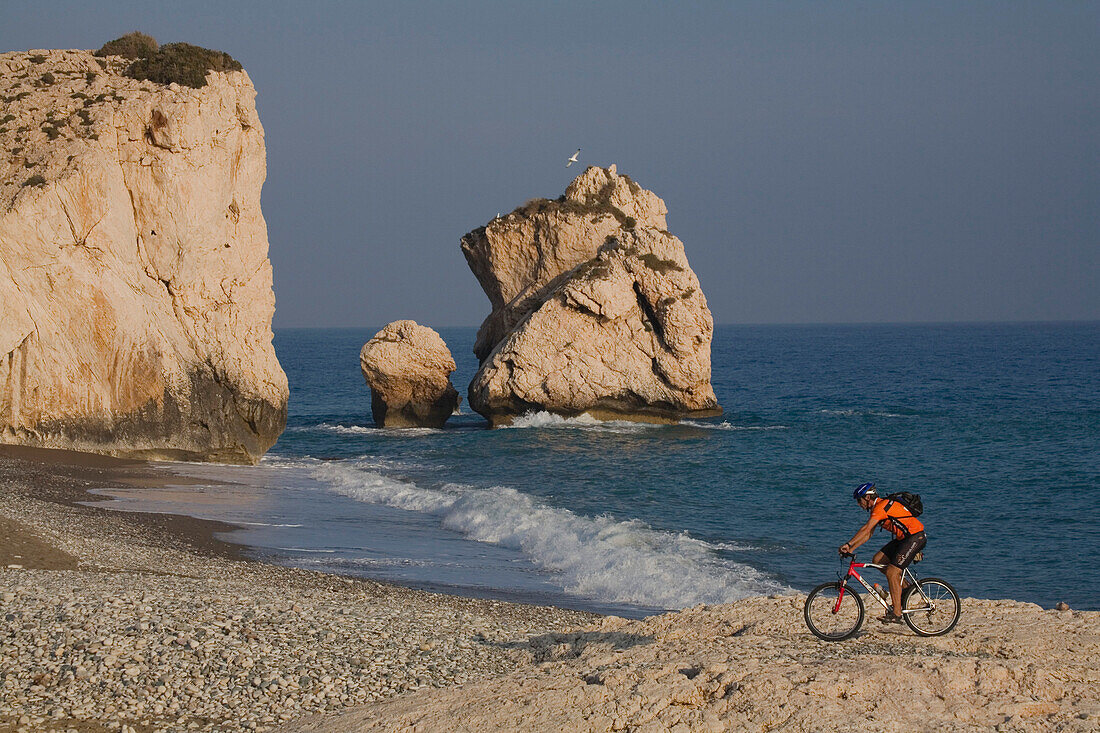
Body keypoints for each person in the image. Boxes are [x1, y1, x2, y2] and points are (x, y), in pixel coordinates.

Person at [838, 482, 926, 624]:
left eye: (859, 501)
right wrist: (852, 548)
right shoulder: (877, 508)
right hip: (903, 539)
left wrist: (848, 544)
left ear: (867, 498)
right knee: (878, 560)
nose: (859, 505)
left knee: (892, 572)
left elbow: (866, 529)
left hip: (915, 537)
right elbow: (868, 535)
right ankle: (906, 588)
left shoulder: (880, 507)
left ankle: (897, 613)